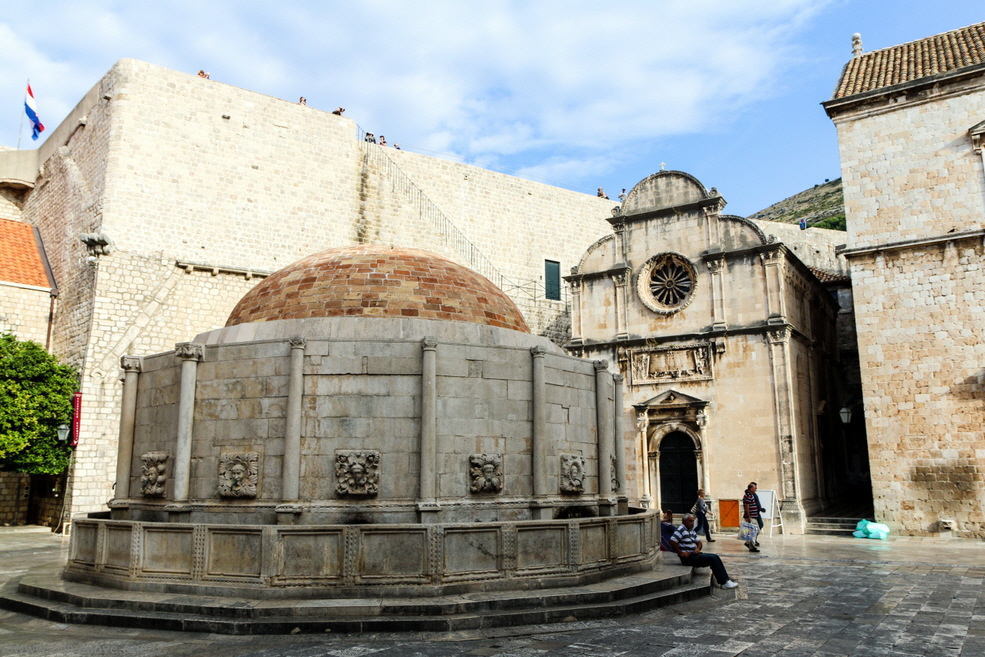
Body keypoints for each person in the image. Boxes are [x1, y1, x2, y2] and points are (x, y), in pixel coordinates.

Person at [670, 514, 738, 590]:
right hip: (688, 558)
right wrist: (681, 553)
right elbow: (672, 541)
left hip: (694, 555)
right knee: (712, 559)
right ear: (684, 521)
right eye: (690, 521)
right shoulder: (680, 530)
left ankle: (726, 580)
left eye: (693, 521)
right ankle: (723, 582)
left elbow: (699, 542)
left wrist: (698, 549)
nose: (692, 523)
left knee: (715, 557)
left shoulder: (691, 530)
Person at [742, 481, 765, 552]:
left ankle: (748, 543)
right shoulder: (748, 496)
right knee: (754, 531)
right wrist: (749, 517)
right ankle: (751, 546)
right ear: (751, 489)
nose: (756, 489)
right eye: (755, 488)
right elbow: (747, 507)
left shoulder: (752, 495)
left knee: (756, 530)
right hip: (751, 517)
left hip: (755, 515)